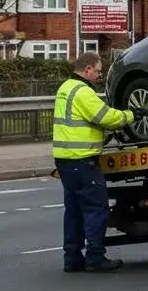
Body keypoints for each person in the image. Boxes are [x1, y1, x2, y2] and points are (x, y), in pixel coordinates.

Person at [53, 52, 137, 273]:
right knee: (96, 209)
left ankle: (71, 258)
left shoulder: (65, 87)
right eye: (98, 71)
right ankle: (95, 257)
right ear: (87, 69)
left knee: (73, 211)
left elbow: (83, 121)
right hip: (83, 161)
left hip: (65, 160)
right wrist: (130, 115)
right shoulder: (83, 92)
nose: (100, 75)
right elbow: (105, 117)